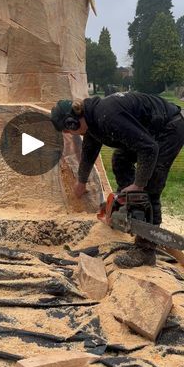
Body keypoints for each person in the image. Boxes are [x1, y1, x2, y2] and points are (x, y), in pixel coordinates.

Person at [51, 92, 184, 268]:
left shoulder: (107, 116)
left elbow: (149, 148)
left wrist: (138, 185)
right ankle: (128, 207)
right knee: (120, 160)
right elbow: (89, 151)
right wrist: (81, 181)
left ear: (72, 122)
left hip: (168, 129)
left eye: (68, 129)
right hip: (150, 132)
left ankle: (145, 250)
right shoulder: (93, 120)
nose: (69, 132)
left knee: (150, 186)